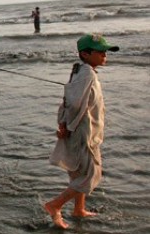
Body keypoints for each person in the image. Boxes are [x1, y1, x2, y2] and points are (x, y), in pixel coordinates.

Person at [44, 34, 119, 229]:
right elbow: (75, 103)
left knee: (78, 173)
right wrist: (65, 126)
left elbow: (68, 100)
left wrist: (63, 123)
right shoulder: (87, 74)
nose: (104, 55)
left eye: (105, 51)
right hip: (85, 133)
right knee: (90, 175)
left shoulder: (81, 70)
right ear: (85, 54)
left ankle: (79, 209)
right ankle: (54, 205)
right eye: (100, 52)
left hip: (83, 130)